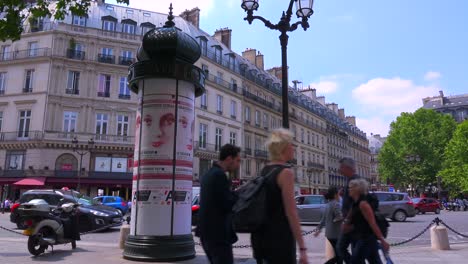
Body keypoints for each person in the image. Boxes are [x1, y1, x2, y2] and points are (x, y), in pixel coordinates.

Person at [251, 128, 308, 264]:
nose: (293, 147)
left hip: (260, 238)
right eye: (291, 144)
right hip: (279, 239)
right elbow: (291, 212)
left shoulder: (264, 171)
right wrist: (303, 248)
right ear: (284, 148)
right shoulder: (286, 173)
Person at [196, 144, 241, 264]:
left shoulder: (208, 174)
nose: (238, 165)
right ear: (229, 159)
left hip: (207, 233)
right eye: (237, 160)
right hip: (218, 234)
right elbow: (227, 203)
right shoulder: (219, 175)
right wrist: (239, 195)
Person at [347, 179, 390, 264]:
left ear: (357, 189)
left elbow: (372, 223)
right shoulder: (355, 203)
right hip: (364, 239)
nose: (349, 189)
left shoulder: (363, 204)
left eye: (351, 188)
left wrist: (382, 240)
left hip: (366, 239)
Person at [336, 157, 360, 264]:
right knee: (356, 252)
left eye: (341, 167)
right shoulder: (350, 180)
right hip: (351, 222)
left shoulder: (354, 181)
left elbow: (356, 204)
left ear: (347, 167)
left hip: (353, 224)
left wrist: (347, 221)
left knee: (341, 248)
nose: (339, 169)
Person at [314, 186, 344, 264]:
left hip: (329, 234)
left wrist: (318, 228)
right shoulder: (336, 204)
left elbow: (323, 219)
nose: (339, 196)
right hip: (336, 234)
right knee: (339, 255)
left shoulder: (328, 205)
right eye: (338, 194)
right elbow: (339, 216)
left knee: (338, 254)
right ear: (335, 195)